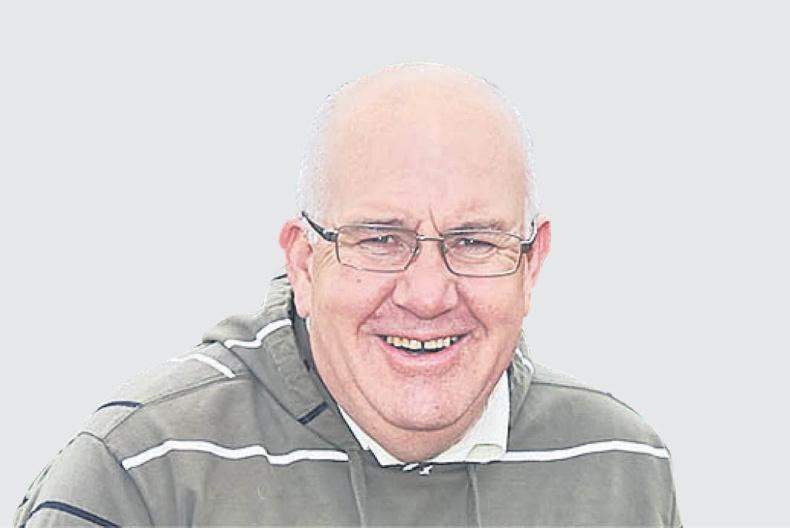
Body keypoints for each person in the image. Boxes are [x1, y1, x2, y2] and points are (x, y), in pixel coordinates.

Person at [15, 63, 681, 527]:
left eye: (475, 241)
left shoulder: (621, 468)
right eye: (381, 239)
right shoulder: (142, 472)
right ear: (304, 264)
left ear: (531, 265)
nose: (427, 294)